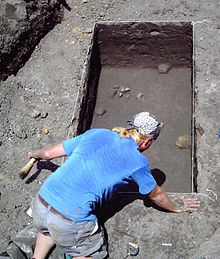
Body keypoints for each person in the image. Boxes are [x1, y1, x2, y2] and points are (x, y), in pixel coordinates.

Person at [29, 112, 200, 259]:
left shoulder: (97, 133)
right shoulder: (137, 161)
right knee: (92, 252)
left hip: (41, 202)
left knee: (47, 228)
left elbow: (48, 153)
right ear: (147, 142)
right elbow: (157, 196)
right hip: (70, 219)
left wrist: (34, 154)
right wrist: (177, 207)